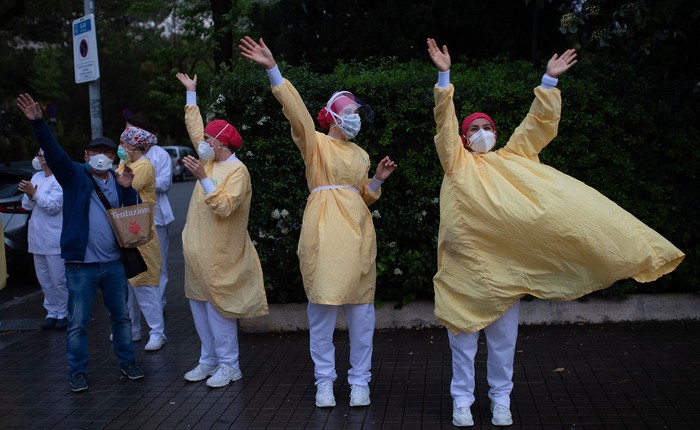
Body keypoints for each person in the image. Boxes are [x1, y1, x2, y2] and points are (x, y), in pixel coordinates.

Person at [426, 38, 685, 427]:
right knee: (462, 343)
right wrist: (444, 77)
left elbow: (535, 127)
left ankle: (501, 401)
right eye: (474, 129)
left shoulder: (512, 158)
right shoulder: (456, 163)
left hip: (506, 270)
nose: (481, 132)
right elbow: (444, 125)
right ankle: (461, 401)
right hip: (464, 272)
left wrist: (548, 81)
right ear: (463, 139)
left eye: (486, 127)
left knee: (503, 345)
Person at [240, 36, 398, 408]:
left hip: (358, 235)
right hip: (324, 233)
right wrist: (273, 70)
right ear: (333, 115)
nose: (356, 116)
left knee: (362, 315)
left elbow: (362, 195)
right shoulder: (315, 144)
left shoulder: (360, 153)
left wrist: (375, 180)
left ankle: (360, 381)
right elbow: (297, 113)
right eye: (350, 110)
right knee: (322, 312)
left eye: (357, 111)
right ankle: (324, 381)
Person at [16, 93, 145, 393]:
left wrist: (128, 191)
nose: (103, 155)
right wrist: (38, 123)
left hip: (113, 264)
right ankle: (77, 371)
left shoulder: (118, 180)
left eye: (108, 152)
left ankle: (127, 362)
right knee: (77, 323)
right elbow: (54, 151)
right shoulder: (74, 175)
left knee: (122, 318)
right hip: (80, 266)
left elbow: (130, 217)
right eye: (96, 151)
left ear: (114, 157)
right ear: (87, 156)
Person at [175, 72, 269, 388]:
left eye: (208, 141)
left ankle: (230, 365)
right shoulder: (213, 162)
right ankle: (208, 361)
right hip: (197, 252)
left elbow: (225, 206)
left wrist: (203, 177)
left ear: (221, 143)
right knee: (199, 307)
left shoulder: (237, 171)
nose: (202, 143)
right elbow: (195, 127)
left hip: (221, 254)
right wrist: (191, 94)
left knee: (220, 310)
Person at [116, 126, 165, 351]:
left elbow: (123, 186)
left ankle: (157, 332)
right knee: (129, 287)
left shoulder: (143, 166)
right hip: (127, 231)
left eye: (123, 143)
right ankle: (133, 329)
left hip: (141, 234)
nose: (121, 147)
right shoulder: (128, 165)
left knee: (145, 285)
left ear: (133, 146)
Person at [126, 114, 174, 311]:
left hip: (157, 215)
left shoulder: (160, 155)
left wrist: (146, 180)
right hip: (134, 217)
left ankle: (158, 303)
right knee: (136, 262)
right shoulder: (128, 157)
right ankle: (138, 306)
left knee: (158, 261)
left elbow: (165, 182)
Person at [19, 149, 68, 330]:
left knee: (59, 280)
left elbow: (53, 207)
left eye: (40, 156)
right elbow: (25, 204)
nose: (37, 159)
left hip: (54, 238)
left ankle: (64, 312)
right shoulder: (37, 177)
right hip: (37, 238)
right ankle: (52, 311)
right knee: (45, 280)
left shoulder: (60, 179)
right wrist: (31, 194)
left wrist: (35, 194)